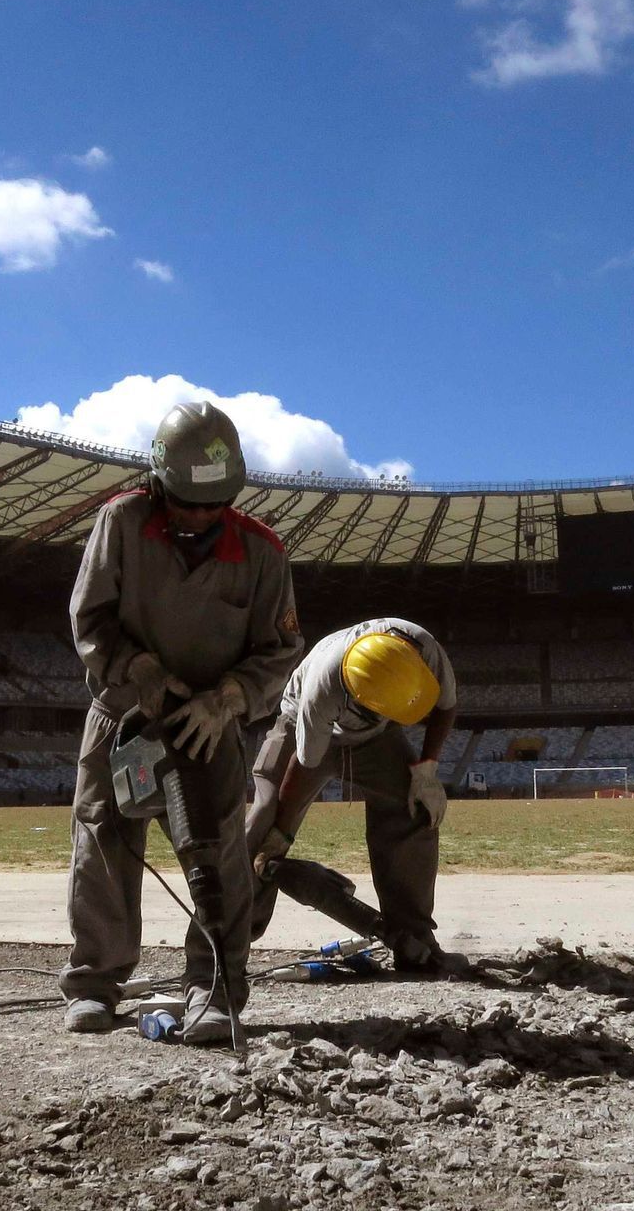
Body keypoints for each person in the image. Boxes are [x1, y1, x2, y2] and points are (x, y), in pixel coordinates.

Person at [63, 401, 302, 1044]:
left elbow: (279, 653)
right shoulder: (120, 522)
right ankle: (94, 983)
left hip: (207, 720)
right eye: (186, 502)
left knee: (219, 850)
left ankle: (216, 987)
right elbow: (90, 619)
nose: (199, 516)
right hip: (125, 712)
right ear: (157, 480)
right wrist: (133, 665)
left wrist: (227, 698)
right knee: (103, 839)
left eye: (213, 505)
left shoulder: (262, 553)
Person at [245, 617, 463, 972]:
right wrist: (279, 834)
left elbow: (446, 706)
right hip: (304, 727)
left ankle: (414, 941)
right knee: (263, 819)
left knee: (414, 808)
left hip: (377, 738)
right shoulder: (323, 687)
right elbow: (303, 764)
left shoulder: (424, 650)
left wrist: (426, 770)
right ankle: (228, 941)